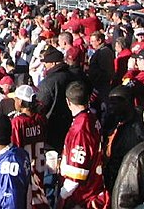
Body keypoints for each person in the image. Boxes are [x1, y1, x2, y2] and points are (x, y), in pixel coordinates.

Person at [59, 81, 108, 209]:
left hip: (84, 196)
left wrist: (62, 196)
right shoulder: (91, 117)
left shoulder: (79, 130)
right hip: (95, 185)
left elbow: (77, 173)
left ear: (68, 102)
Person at [102, 86, 144, 195]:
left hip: (129, 178)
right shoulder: (111, 120)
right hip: (112, 176)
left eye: (114, 103)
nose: (110, 107)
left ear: (127, 102)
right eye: (110, 103)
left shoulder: (138, 128)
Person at [36, 46, 76, 152]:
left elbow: (39, 107)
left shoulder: (48, 83)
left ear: (53, 63)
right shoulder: (74, 76)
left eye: (46, 62)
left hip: (52, 130)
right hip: (71, 126)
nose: (44, 65)